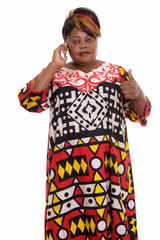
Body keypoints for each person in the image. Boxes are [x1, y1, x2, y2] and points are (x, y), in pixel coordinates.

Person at [18, 7, 151, 240]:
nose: (83, 45)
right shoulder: (55, 76)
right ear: (65, 46)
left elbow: (140, 113)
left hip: (111, 172)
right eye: (75, 40)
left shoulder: (116, 74)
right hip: (68, 174)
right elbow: (29, 101)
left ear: (97, 40)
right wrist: (53, 65)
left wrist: (137, 92)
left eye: (89, 39)